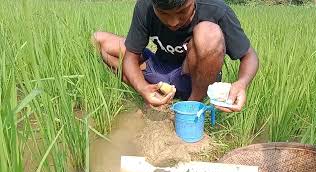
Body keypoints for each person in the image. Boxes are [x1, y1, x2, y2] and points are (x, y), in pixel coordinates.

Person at [92, 0, 259, 112]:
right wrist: (142, 88)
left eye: (182, 12)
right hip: (160, 69)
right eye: (164, 14)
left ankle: (193, 105)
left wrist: (242, 83)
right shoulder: (145, 6)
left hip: (194, 77)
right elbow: (130, 56)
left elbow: (249, 55)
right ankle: (154, 95)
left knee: (209, 33)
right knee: (99, 40)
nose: (173, 22)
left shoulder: (215, 9)